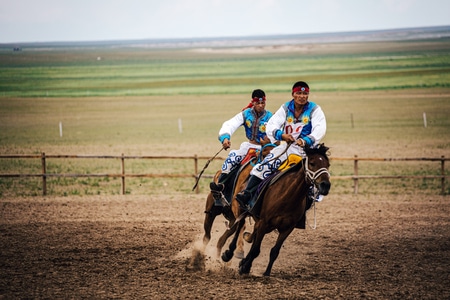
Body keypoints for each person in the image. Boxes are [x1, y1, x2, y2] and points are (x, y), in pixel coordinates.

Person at [236, 81, 327, 209]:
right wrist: (282, 135)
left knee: (319, 171)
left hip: (308, 150)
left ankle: (312, 198)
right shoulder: (285, 108)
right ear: (293, 94)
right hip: (288, 147)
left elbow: (320, 129)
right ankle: (247, 194)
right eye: (299, 93)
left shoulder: (315, 109)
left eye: (305, 93)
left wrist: (305, 140)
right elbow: (272, 125)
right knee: (264, 165)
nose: (302, 96)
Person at [210, 89, 273, 193]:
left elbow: (277, 131)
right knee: (232, 158)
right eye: (258, 103)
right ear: (253, 102)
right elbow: (230, 124)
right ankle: (220, 186)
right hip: (248, 147)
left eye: (263, 103)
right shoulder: (245, 114)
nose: (261, 106)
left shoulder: (271, 117)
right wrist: (225, 138)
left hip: (265, 149)